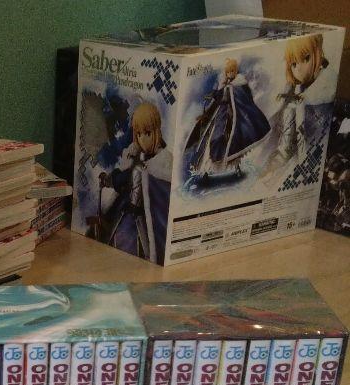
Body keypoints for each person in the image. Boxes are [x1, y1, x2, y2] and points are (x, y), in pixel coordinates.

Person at [98, 101, 172, 262]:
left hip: (141, 221)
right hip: (128, 215)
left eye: (147, 133)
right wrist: (129, 161)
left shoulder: (162, 162)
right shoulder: (139, 157)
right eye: (138, 134)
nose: (142, 139)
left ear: (156, 131)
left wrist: (125, 171)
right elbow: (121, 179)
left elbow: (125, 179)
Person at [185, 58, 270, 181]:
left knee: (233, 143)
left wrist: (229, 96)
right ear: (225, 73)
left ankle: (236, 168)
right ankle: (206, 171)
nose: (230, 73)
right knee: (212, 141)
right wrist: (215, 94)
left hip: (233, 119)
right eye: (228, 71)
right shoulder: (224, 84)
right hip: (220, 117)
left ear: (236, 71)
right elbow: (219, 98)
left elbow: (245, 100)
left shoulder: (239, 85)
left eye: (233, 71)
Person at [265, 35, 330, 179]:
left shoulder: (325, 91)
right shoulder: (295, 96)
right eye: (294, 64)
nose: (299, 69)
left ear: (317, 53)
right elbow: (286, 146)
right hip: (301, 167)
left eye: (306, 58)